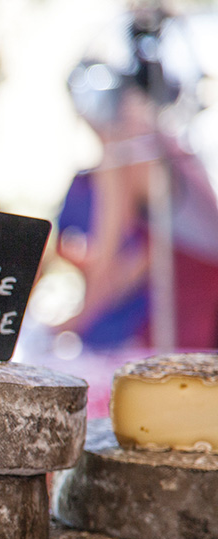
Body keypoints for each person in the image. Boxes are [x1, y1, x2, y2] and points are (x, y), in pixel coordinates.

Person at [56, 57, 218, 351]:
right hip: (193, 311)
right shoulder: (159, 142)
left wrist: (65, 328)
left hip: (186, 318)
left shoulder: (126, 154)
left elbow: (109, 266)